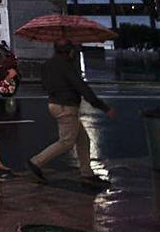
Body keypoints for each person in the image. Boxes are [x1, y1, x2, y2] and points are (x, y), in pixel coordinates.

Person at [29, 42, 116, 185]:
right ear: (69, 52)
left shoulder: (47, 64)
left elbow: (44, 85)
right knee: (67, 141)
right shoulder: (67, 66)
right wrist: (104, 107)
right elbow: (82, 87)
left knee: (83, 139)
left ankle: (86, 172)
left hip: (54, 103)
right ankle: (35, 162)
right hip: (66, 106)